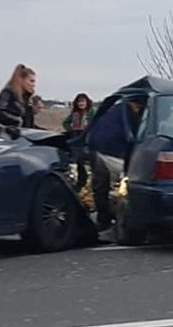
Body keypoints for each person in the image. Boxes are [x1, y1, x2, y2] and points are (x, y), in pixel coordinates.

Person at [85, 97, 147, 231]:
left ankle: (104, 219)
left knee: (101, 186)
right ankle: (123, 220)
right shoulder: (132, 114)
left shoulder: (115, 109)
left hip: (97, 147)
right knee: (127, 186)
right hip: (115, 152)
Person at [63, 93, 96, 188]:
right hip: (76, 135)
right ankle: (78, 181)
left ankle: (89, 183)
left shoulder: (92, 112)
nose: (81, 104)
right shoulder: (74, 113)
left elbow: (96, 122)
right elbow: (65, 123)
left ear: (87, 102)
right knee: (77, 158)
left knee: (87, 159)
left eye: (83, 101)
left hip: (87, 136)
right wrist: (70, 129)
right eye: (79, 102)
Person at [0, 64, 37, 129]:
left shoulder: (26, 98)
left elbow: (29, 123)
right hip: (3, 132)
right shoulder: (8, 93)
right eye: (31, 81)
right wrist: (17, 121)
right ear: (21, 80)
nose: (33, 85)